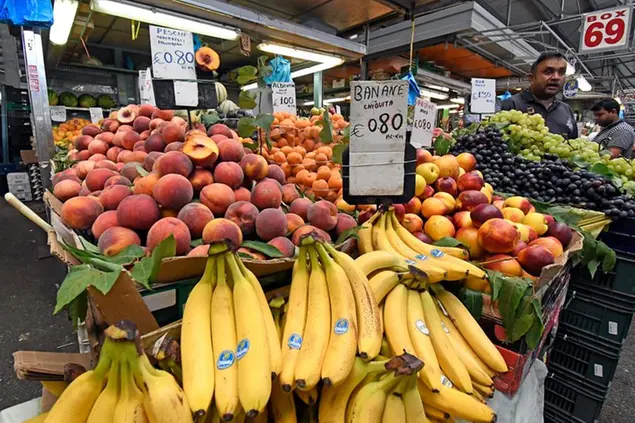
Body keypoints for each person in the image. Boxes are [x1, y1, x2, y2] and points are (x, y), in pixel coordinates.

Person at [501, 52, 578, 139]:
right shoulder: (510, 104)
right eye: (548, 72)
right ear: (532, 78)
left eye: (561, 72)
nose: (556, 77)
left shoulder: (566, 110)